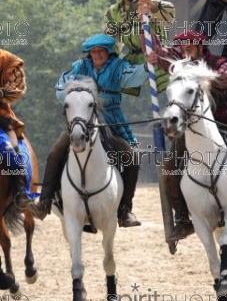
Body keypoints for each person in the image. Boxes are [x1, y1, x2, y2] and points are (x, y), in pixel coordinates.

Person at [147, 30, 227, 241]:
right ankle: (183, 219)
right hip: (193, 126)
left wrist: (209, 78)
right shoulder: (179, 66)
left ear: (200, 47)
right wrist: (152, 47)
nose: (186, 51)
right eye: (183, 47)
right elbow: (156, 51)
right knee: (170, 167)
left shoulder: (217, 62)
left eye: (191, 47)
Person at [29, 34, 148, 228]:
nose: (97, 55)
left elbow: (138, 76)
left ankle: (125, 210)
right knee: (54, 154)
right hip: (81, 120)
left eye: (101, 51)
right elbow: (61, 89)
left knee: (131, 158)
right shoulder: (79, 67)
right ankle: (44, 203)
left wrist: (149, 62)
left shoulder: (119, 67)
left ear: (109, 53)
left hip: (110, 121)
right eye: (94, 52)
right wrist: (78, 97)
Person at [104, 0, 175, 95]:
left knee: (168, 92)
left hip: (157, 54)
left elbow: (170, 15)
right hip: (133, 58)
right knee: (114, 84)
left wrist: (152, 7)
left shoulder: (148, 1)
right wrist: (110, 61)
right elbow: (111, 40)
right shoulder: (114, 11)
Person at [0, 48, 31, 207]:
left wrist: (1, 93)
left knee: (7, 149)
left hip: (1, 117)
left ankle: (20, 190)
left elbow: (19, 86)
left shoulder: (6, 59)